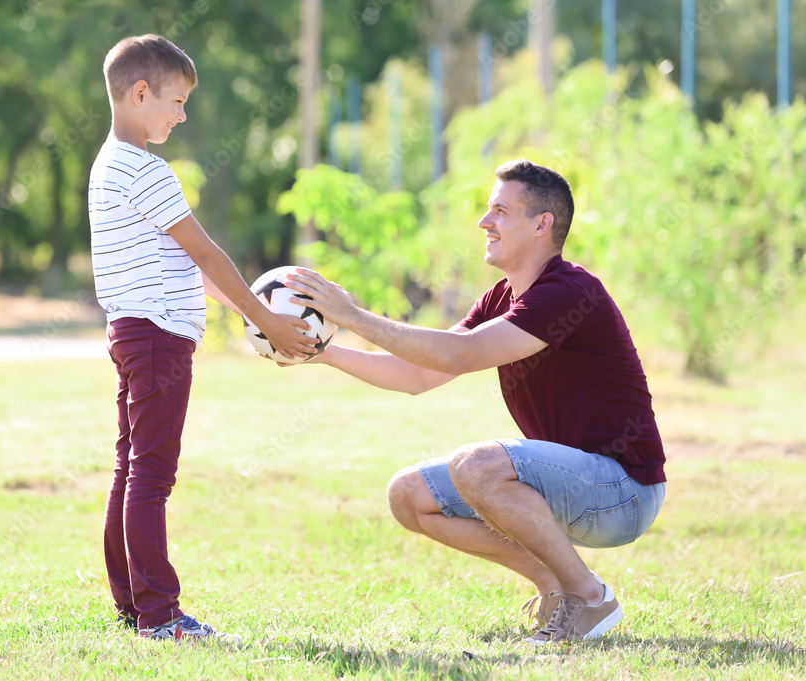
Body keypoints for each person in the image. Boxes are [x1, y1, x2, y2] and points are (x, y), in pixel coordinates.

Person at [285, 159, 667, 645]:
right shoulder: (501, 298)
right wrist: (323, 352)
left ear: (541, 224)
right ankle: (555, 585)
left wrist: (352, 315)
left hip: (623, 491)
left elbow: (462, 354)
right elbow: (420, 372)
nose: (484, 223)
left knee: (477, 465)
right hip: (572, 485)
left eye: (500, 211)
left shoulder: (571, 291)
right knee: (409, 496)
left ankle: (591, 599)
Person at [88, 34, 316, 640]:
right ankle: (160, 616)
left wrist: (248, 312)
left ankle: (133, 606)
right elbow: (207, 255)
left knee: (130, 470)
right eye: (177, 100)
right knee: (151, 475)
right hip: (159, 339)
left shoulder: (107, 165)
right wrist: (267, 320)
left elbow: (189, 265)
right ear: (141, 94)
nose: (182, 114)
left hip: (133, 333)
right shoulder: (145, 169)